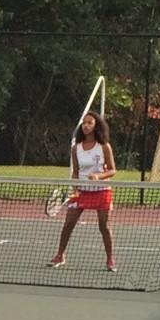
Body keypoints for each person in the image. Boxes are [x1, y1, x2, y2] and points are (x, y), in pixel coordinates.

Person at [48, 111, 117, 272]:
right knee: (68, 223)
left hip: (102, 190)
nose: (86, 126)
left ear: (96, 126)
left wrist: (99, 176)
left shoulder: (104, 146)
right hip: (81, 192)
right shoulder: (76, 148)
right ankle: (60, 255)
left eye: (90, 123)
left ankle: (110, 259)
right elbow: (76, 172)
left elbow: (113, 170)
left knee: (104, 226)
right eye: (84, 123)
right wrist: (74, 186)